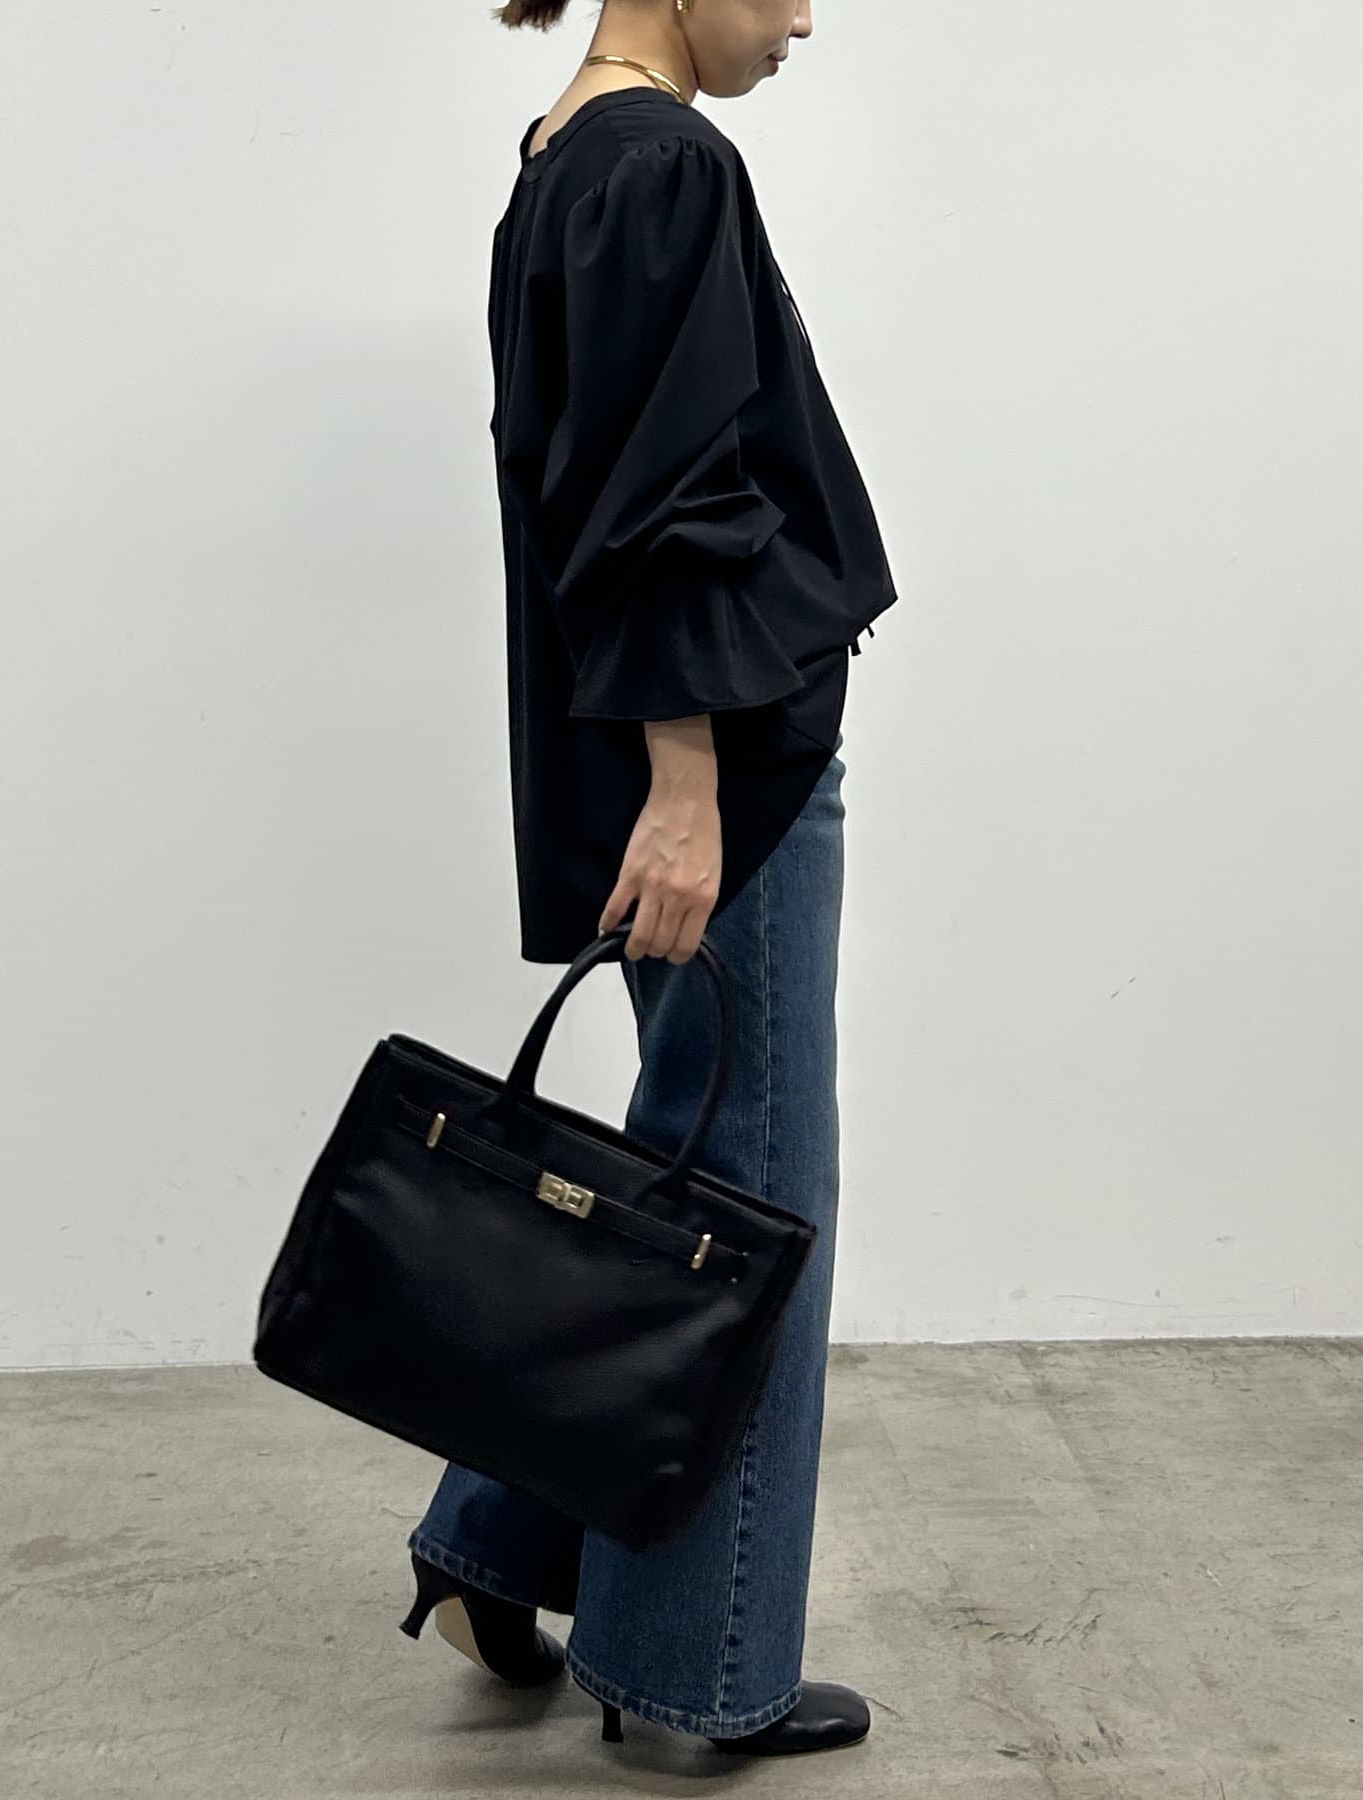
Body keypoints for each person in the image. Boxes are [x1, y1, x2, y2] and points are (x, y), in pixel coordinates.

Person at [398, 0, 899, 1758]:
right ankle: (697, 1675)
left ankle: (497, 1531)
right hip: (724, 779)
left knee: (683, 1158)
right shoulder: (663, 165)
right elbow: (657, 501)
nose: (808, 13)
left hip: (678, 767)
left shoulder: (566, 156)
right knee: (748, 1201)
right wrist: (687, 785)